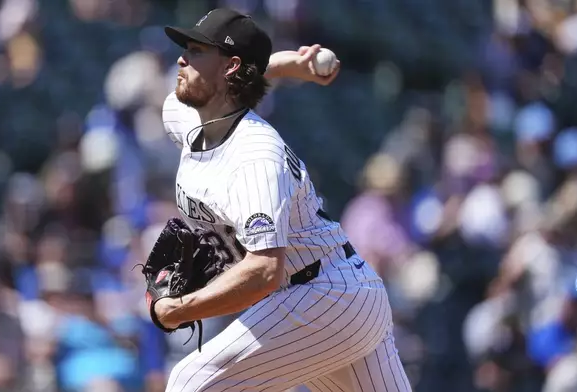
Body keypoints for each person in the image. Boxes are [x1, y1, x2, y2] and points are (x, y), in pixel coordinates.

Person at [152, 8, 411, 392]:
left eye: (196, 50)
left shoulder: (257, 156)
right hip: (335, 296)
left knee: (190, 383)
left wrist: (179, 310)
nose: (181, 58)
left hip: (323, 296)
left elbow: (263, 272)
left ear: (229, 67)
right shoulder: (184, 114)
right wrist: (288, 65)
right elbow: (239, 78)